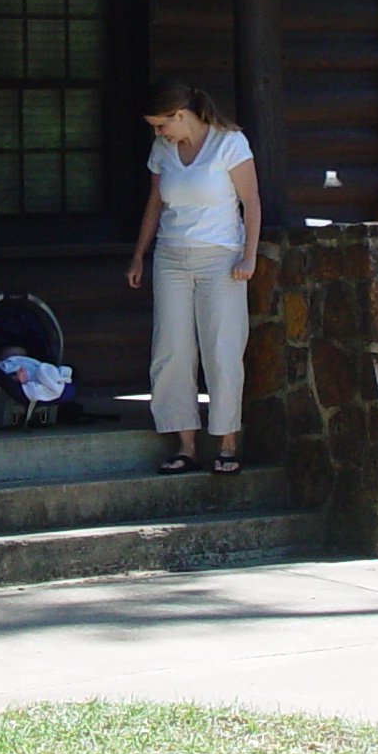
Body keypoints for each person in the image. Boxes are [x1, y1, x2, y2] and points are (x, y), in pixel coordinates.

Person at [124, 82, 261, 475]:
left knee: (222, 349)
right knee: (171, 350)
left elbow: (251, 202)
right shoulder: (162, 150)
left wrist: (248, 256)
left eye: (160, 125)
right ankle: (185, 444)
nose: (157, 133)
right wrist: (138, 255)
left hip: (221, 259)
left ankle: (227, 442)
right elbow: (155, 202)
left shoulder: (229, 143)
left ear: (180, 115)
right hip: (171, 257)